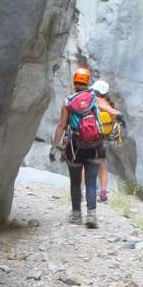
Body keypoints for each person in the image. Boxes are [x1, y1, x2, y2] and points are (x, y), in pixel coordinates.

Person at [51, 65, 102, 227]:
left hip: (75, 146)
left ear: (74, 82)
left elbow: (62, 125)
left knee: (75, 181)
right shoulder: (94, 98)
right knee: (91, 180)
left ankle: (76, 214)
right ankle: (92, 215)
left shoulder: (68, 101)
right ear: (88, 82)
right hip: (95, 145)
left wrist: (54, 147)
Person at [92, 78, 121, 202]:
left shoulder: (95, 100)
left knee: (84, 164)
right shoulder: (108, 103)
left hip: (89, 136)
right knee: (102, 164)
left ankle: (81, 191)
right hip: (102, 139)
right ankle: (103, 193)